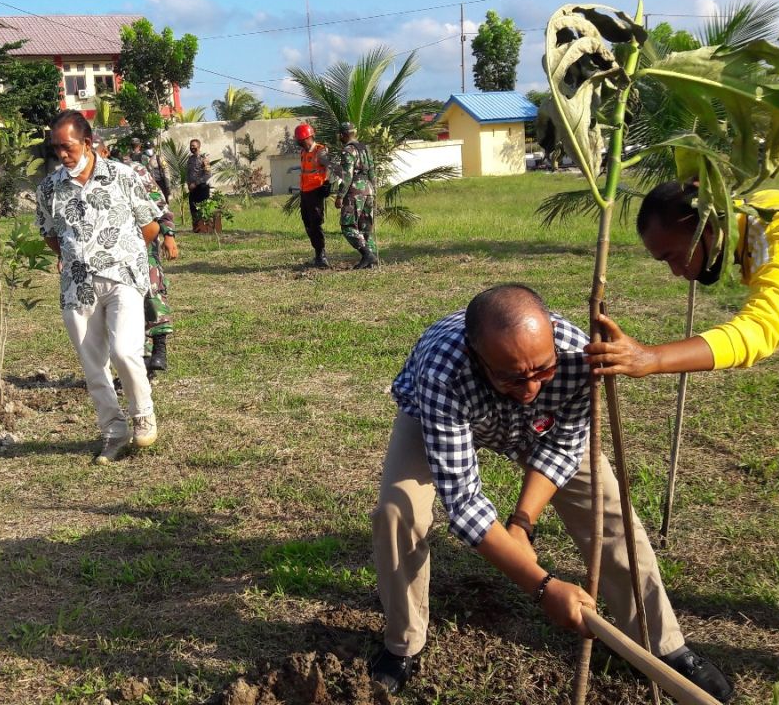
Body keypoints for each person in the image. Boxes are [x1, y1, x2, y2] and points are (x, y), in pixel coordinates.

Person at [587, 180, 779, 692]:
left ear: (707, 226)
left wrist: (649, 359)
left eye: (675, 255)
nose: (677, 270)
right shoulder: (760, 209)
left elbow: (758, 334)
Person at [370, 284, 733, 700]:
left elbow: (562, 449)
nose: (530, 389)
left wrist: (521, 524)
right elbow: (464, 500)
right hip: (437, 417)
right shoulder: (443, 371)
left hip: (546, 427)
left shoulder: (580, 355)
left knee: (611, 514)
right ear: (476, 358)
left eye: (542, 370)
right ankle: (403, 644)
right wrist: (543, 588)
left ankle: (663, 646)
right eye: (512, 376)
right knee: (398, 513)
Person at [37, 112, 161, 464]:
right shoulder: (49, 188)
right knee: (94, 366)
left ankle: (143, 414)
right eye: (56, 148)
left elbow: (149, 227)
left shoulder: (123, 176)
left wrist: (122, 255)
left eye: (68, 146)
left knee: (125, 351)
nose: (62, 154)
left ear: (88, 143)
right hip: (78, 287)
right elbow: (50, 236)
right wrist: (78, 260)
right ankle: (113, 432)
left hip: (123, 279)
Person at [97, 140, 179, 376]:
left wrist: (169, 235)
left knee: (152, 291)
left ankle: (159, 348)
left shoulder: (133, 170)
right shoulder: (85, 179)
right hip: (112, 251)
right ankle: (138, 361)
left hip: (143, 240)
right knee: (125, 303)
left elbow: (158, 202)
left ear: (103, 151)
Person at [333, 122, 378, 269]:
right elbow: (372, 172)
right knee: (366, 227)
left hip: (355, 192)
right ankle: (371, 260)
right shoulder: (365, 148)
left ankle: (367, 255)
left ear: (343, 135)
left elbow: (347, 176)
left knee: (348, 225)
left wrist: (340, 196)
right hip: (368, 190)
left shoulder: (348, 151)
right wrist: (374, 191)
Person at [294, 123, 333, 268]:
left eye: (299, 139)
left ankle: (321, 256)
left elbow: (329, 166)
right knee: (307, 222)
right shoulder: (304, 152)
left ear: (306, 138)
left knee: (315, 223)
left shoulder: (320, 151)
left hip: (316, 191)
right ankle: (317, 253)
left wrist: (327, 183)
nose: (298, 142)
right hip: (305, 192)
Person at [185, 139, 211, 231]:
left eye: (194, 146)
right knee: (193, 208)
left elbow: (207, 175)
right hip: (192, 188)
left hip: (202, 187)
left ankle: (205, 228)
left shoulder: (204, 159)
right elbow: (188, 173)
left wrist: (195, 184)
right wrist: (188, 184)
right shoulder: (190, 159)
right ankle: (196, 228)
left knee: (203, 208)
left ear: (199, 146)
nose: (192, 147)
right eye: (191, 146)